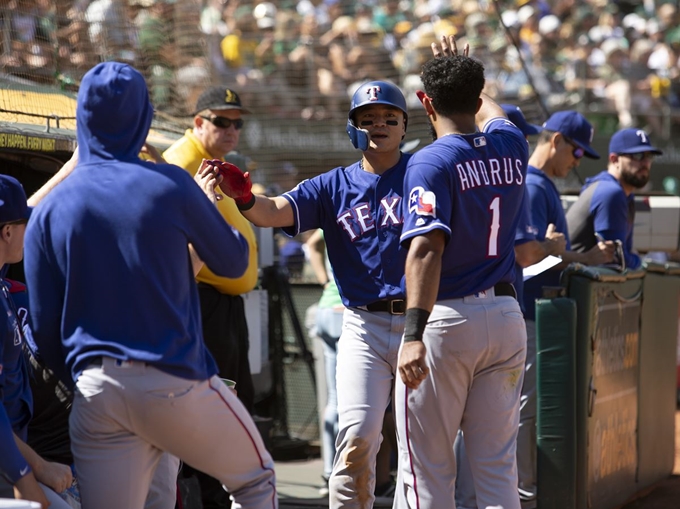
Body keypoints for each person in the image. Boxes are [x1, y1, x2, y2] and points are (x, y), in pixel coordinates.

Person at [23, 61, 277, 509]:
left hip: (96, 388)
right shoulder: (169, 183)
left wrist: (86, 377)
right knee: (256, 480)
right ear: (142, 118)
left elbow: (45, 329)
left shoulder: (50, 207)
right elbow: (235, 261)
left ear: (82, 117)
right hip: (174, 378)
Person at [216, 79, 411, 509]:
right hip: (364, 324)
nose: (378, 125)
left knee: (421, 443)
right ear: (352, 128)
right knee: (357, 436)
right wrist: (245, 198)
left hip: (421, 321)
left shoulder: (423, 172)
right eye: (368, 119)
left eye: (388, 118)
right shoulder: (332, 186)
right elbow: (273, 212)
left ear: (403, 126)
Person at [394, 36, 529, 509]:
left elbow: (427, 249)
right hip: (508, 318)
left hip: (448, 324)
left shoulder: (430, 161)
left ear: (423, 102)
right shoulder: (511, 143)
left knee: (426, 472)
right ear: (477, 96)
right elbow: (492, 111)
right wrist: (463, 71)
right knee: (496, 470)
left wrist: (412, 332)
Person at [454, 103, 567, 509]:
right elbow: (523, 253)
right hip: (496, 310)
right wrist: (553, 247)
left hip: (461, 311)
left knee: (461, 429)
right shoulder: (518, 179)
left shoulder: (464, 171)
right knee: (492, 429)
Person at [163, 86, 259, 509]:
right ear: (198, 122)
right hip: (198, 300)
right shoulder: (181, 162)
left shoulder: (216, 164)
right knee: (212, 407)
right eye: (222, 121)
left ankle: (222, 493)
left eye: (237, 122)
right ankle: (208, 498)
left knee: (234, 403)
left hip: (225, 306)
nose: (232, 129)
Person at [519, 109, 616, 504]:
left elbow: (550, 253)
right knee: (522, 414)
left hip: (531, 314)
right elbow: (530, 258)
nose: (577, 163)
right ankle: (522, 495)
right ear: (556, 140)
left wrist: (577, 255)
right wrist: (579, 257)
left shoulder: (541, 185)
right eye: (576, 153)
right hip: (522, 311)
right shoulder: (532, 186)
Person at [0, 174, 71, 509]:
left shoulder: (4, 285)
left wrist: (73, 166)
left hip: (14, 456)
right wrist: (30, 474)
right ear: (8, 232)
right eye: (24, 224)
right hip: (13, 464)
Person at [567, 128, 662, 271]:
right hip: (563, 284)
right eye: (637, 155)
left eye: (649, 156)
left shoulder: (625, 194)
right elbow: (615, 259)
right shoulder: (610, 192)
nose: (645, 163)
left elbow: (622, 255)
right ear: (614, 159)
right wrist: (640, 262)